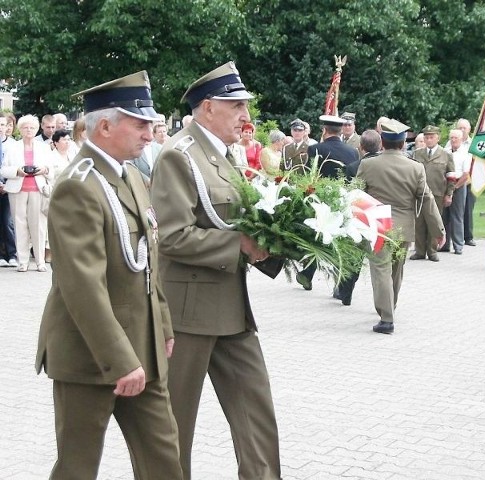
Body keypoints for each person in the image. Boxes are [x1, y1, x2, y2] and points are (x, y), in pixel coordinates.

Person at [35, 71, 183, 480]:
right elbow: (81, 284)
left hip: (142, 346)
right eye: (140, 125)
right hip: (91, 354)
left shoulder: (130, 174)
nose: (150, 135)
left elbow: (146, 260)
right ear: (104, 126)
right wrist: (120, 359)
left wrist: (163, 326)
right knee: (78, 467)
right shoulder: (77, 186)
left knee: (164, 461)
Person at [150, 61, 281, 480]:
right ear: (208, 108)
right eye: (236, 105)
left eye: (245, 106)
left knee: (256, 414)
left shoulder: (224, 155)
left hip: (231, 310)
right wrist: (239, 244)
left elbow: (241, 220)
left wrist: (283, 238)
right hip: (187, 315)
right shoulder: (178, 154)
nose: (246, 115)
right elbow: (171, 237)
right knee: (174, 426)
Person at [357, 118, 444, 334]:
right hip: (403, 226)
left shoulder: (368, 164)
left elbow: (355, 194)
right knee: (396, 270)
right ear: (403, 142)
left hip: (377, 224)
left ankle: (386, 318)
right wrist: (438, 231)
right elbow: (427, 200)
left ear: (382, 142)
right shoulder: (416, 167)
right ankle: (390, 307)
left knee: (381, 269)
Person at [295, 114, 359, 291]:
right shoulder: (352, 151)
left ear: (324, 130)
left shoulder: (315, 149)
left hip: (321, 200)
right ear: (340, 132)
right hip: (343, 200)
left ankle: (308, 273)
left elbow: (310, 175)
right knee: (342, 240)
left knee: (316, 237)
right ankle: (343, 284)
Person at [334, 129, 382, 306]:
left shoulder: (353, 167)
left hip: (360, 216)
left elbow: (347, 195)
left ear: (361, 147)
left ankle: (345, 293)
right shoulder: (384, 165)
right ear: (380, 145)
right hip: (381, 216)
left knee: (353, 256)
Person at [0, 114, 54, 272]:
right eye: (25, 127)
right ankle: (22, 261)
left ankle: (40, 261)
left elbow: (51, 169)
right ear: (20, 129)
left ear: (36, 129)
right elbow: (3, 169)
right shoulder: (12, 147)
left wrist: (44, 170)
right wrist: (17, 171)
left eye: (31, 127)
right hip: (18, 189)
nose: (28, 130)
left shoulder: (43, 147)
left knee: (39, 225)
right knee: (19, 225)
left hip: (38, 189)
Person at [411, 125, 454, 262]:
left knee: (434, 222)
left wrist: (449, 194)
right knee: (419, 222)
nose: (429, 140)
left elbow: (451, 176)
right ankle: (420, 251)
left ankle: (433, 251)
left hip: (437, 192)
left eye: (432, 137)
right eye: (426, 137)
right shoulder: (417, 153)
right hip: (419, 193)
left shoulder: (446, 154)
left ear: (438, 138)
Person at [441, 129, 471, 255]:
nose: (453, 140)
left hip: (459, 185)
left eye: (456, 138)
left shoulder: (465, 154)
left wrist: (454, 188)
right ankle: (444, 244)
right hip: (445, 184)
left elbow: (465, 175)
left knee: (457, 216)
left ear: (461, 139)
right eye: (451, 137)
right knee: (444, 216)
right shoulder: (445, 152)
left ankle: (458, 245)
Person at [0, 114, 17, 267]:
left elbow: (14, 167)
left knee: (8, 222)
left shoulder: (13, 145)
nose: (1, 128)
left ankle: (12, 254)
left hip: (7, 188)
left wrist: (5, 185)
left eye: (3, 125)